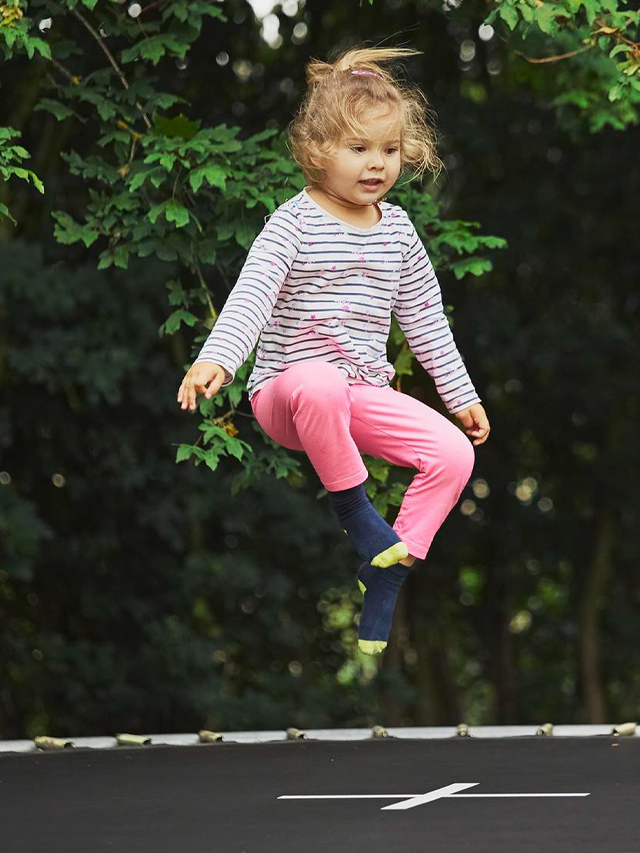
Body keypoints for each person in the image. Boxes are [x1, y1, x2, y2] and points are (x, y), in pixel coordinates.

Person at [177, 45, 491, 655]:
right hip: (287, 395)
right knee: (319, 382)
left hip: (363, 394)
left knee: (453, 456)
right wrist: (217, 358)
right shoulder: (291, 223)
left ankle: (387, 571)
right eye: (359, 149)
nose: (377, 164)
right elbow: (251, 298)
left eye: (390, 151)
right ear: (317, 151)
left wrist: (462, 396)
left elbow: (426, 319)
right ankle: (358, 519)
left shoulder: (398, 230)